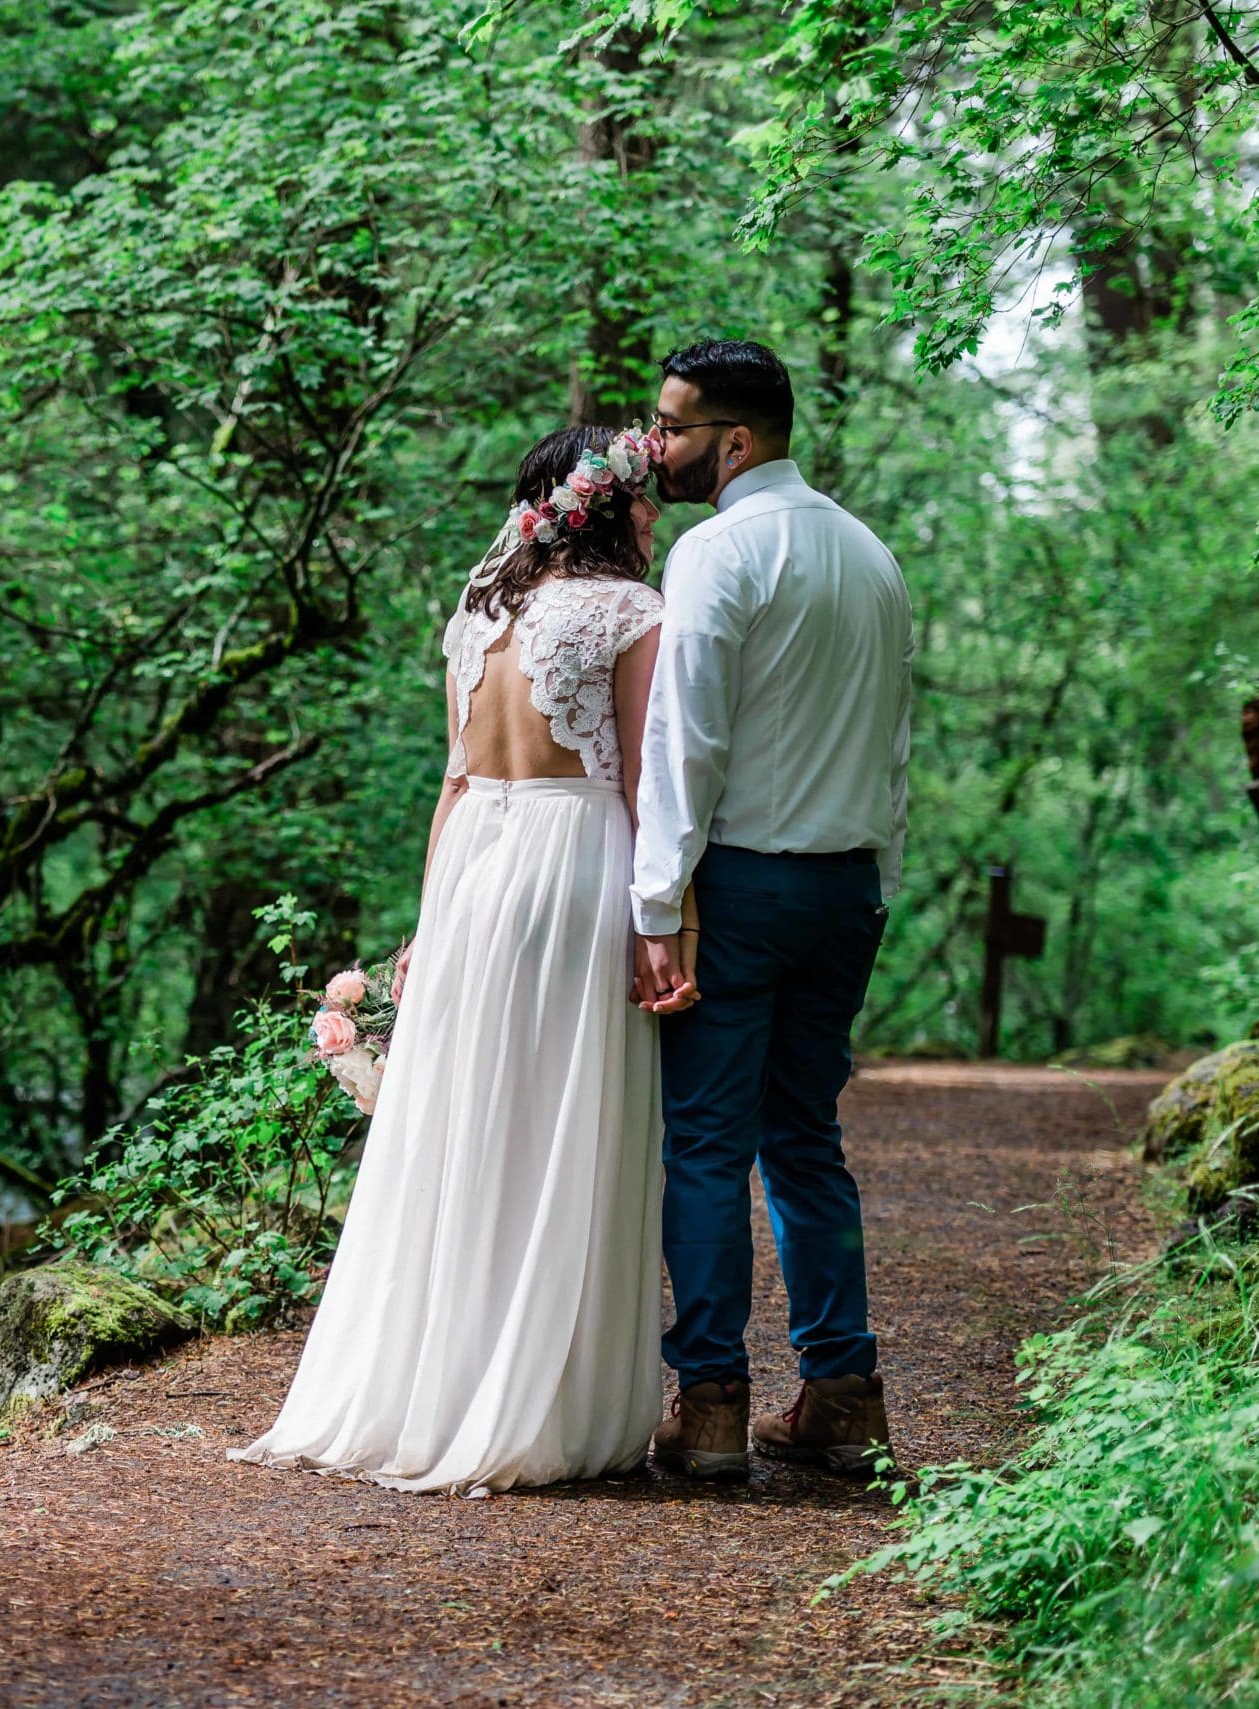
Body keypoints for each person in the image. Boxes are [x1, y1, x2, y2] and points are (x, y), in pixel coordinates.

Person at [225, 423, 683, 1497]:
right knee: (563, 1122)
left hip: (474, 871)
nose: (657, 518)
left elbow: (452, 783)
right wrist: (670, 920)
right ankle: (538, 1399)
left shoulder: (476, 615)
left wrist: (428, 926)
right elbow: (643, 788)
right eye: (648, 501)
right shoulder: (633, 613)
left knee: (468, 1119)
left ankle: (431, 1381)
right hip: (578, 862)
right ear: (610, 506)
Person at [632, 339, 915, 1480]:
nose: (654, 446)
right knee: (806, 1139)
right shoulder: (870, 554)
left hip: (738, 882)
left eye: (671, 427)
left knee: (705, 1141)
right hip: (844, 885)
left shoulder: (714, 552)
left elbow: (683, 737)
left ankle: (708, 1407)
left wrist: (659, 899)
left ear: (732, 441)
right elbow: (895, 741)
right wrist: (880, 877)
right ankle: (841, 1397)